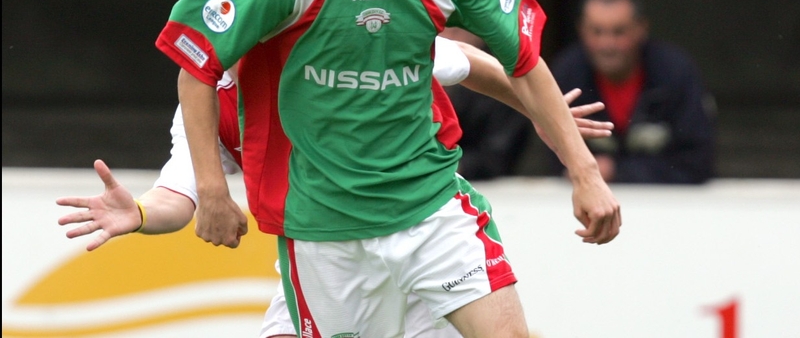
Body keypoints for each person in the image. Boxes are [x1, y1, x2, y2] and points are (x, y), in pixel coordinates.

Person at [155, 0, 621, 337]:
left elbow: (517, 62)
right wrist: (214, 193)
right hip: (325, 232)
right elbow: (195, 65)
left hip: (429, 210)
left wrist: (581, 171)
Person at [58, 38, 612, 338]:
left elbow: (466, 62)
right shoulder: (210, 97)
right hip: (321, 248)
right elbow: (180, 196)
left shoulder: (347, 34)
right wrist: (138, 212)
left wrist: (542, 113)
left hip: (424, 219)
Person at [545, 0, 715, 184]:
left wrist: (617, 171)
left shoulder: (676, 73)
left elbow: (697, 161)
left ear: (641, 29)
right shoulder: (566, 74)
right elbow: (554, 158)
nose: (607, 45)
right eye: (597, 32)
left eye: (618, 32)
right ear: (581, 30)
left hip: (668, 204)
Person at [440, 27, 534, 180]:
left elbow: (497, 157)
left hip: (486, 185)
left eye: (456, 31)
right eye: (439, 29)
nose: (447, 38)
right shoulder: (411, 73)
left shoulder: (501, 78)